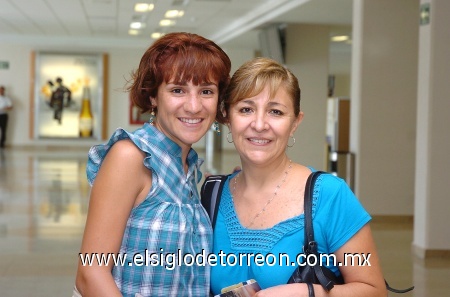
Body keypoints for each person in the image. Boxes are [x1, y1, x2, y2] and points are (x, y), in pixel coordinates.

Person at [208, 57, 387, 296]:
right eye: (246, 109)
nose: (259, 124)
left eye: (276, 112)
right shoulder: (212, 196)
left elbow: (374, 291)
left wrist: (310, 293)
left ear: (294, 123)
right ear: (228, 117)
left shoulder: (329, 195)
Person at [74, 32, 231, 297]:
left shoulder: (188, 168)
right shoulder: (131, 156)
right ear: (153, 97)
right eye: (178, 90)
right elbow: (91, 274)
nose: (194, 106)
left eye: (206, 91)